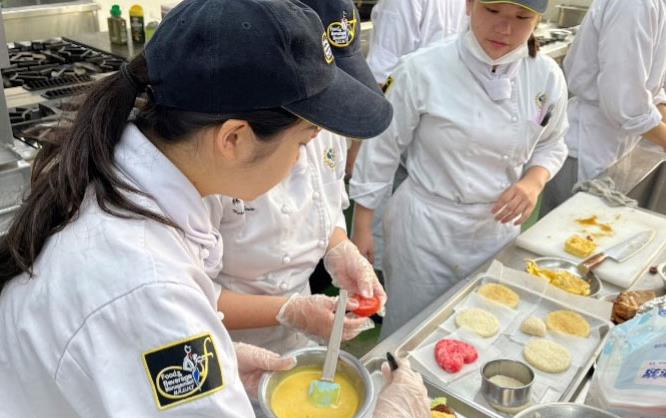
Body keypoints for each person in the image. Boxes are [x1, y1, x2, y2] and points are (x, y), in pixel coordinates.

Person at [0, 0, 428, 415]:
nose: (301, 162)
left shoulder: (126, 180)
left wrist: (217, 359)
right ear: (233, 139)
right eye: (302, 142)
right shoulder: (144, 285)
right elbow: (147, 315)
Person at [350, 0, 569, 338]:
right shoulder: (423, 68)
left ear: (538, 19)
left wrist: (533, 181)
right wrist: (363, 225)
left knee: (482, 330)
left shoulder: (546, 77)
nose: (505, 29)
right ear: (469, 5)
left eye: (522, 18)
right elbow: (381, 149)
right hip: (426, 230)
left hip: (496, 230)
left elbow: (552, 142)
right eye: (492, 12)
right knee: (409, 334)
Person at [205, 0, 387, 357]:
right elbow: (189, 294)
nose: (318, 133)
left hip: (299, 330)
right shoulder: (213, 157)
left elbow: (324, 201)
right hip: (223, 344)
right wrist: (288, 311)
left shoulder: (328, 121)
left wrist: (339, 249)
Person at [348, 0, 468, 271]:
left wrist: (359, 143)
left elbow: (380, 77)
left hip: (401, 131)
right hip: (434, 137)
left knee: (382, 236)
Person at [541, 0, 666, 214]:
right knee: (569, 239)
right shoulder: (635, 5)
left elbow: (649, 88)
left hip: (614, 149)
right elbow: (624, 101)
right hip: (587, 152)